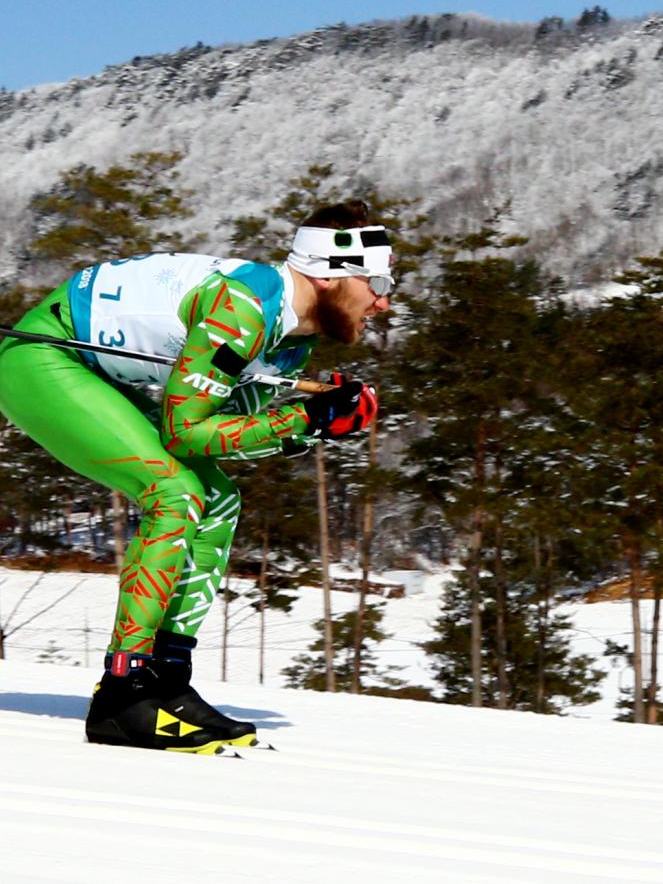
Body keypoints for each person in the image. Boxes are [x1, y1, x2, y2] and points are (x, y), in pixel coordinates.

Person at [0, 199, 393, 753]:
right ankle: (122, 694)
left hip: (101, 372)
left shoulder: (292, 339)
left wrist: (314, 424)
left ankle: (165, 678)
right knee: (174, 491)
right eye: (376, 282)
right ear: (328, 276)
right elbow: (185, 433)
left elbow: (229, 426)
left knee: (217, 498)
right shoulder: (243, 310)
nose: (384, 301)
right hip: (42, 358)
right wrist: (303, 419)